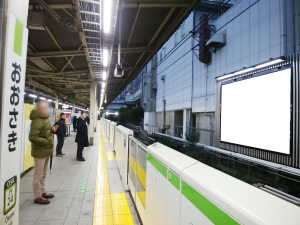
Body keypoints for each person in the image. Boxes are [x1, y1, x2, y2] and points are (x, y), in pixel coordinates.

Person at [29, 100, 57, 204]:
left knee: (44, 173)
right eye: (45, 108)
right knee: (38, 175)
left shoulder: (45, 119)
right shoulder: (37, 121)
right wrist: (46, 141)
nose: (47, 110)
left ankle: (43, 191)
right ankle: (37, 196)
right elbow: (33, 137)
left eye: (47, 108)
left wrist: (52, 130)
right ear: (39, 110)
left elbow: (45, 133)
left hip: (46, 151)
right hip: (40, 152)